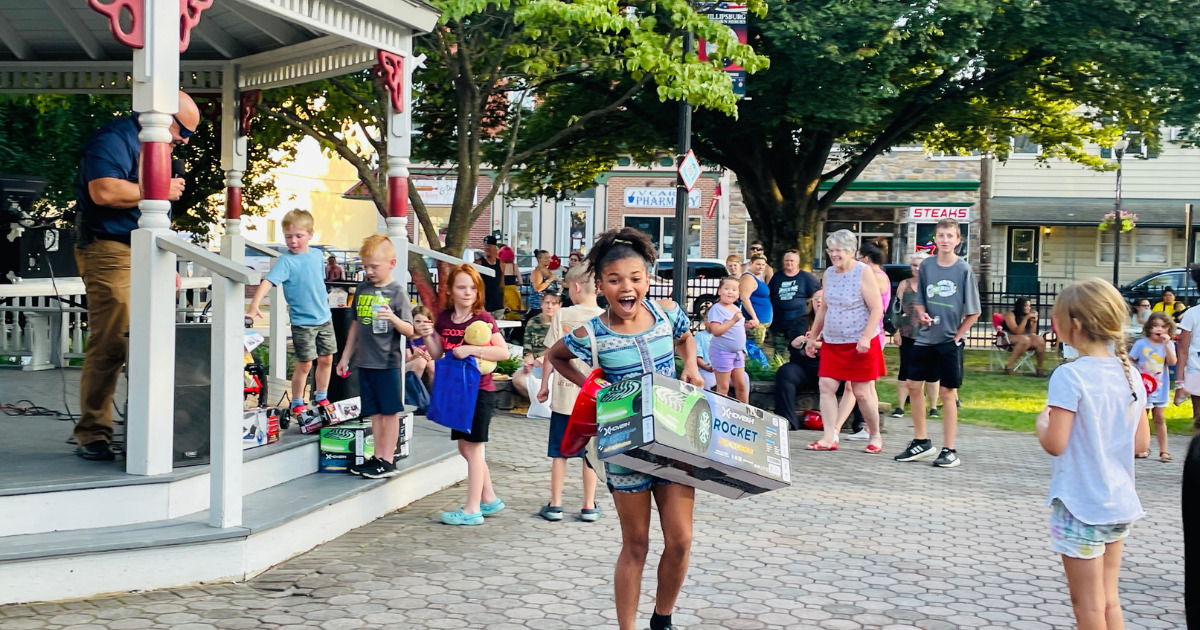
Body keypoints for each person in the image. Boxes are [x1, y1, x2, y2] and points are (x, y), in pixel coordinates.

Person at [546, 227, 702, 630]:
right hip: (625, 449)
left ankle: (662, 619)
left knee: (681, 540)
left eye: (635, 278)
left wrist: (690, 364)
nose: (626, 287)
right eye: (615, 280)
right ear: (600, 286)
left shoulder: (667, 314)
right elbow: (556, 356)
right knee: (636, 544)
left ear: (647, 279)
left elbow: (686, 338)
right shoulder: (592, 333)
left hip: (673, 442)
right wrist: (592, 388)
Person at [72, 91, 198, 461]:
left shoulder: (158, 148)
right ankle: (93, 433)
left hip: (148, 252)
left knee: (154, 341)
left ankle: (149, 428)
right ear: (166, 116)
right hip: (110, 249)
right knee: (113, 341)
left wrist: (169, 263)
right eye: (184, 132)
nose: (183, 141)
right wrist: (157, 188)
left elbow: (158, 215)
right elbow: (104, 191)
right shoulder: (114, 139)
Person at [1037, 277, 1150, 630]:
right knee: (1108, 600)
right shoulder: (1131, 375)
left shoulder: (1069, 376)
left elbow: (1055, 443)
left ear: (1074, 325)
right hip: (1118, 503)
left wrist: (1042, 422)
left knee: (1086, 606)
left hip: (1080, 505)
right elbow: (1140, 445)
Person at [416, 264, 511, 525]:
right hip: (456, 391)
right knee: (465, 447)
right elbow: (438, 353)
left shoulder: (483, 318)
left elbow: (502, 352)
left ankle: (472, 510)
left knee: (474, 449)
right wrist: (427, 336)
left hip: (479, 392)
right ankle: (489, 498)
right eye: (461, 287)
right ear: (450, 290)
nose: (468, 292)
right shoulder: (444, 318)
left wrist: (472, 349)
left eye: (472, 287)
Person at [894, 218, 981, 468]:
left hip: (949, 340)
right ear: (935, 239)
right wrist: (922, 314)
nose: (945, 240)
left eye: (949, 236)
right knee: (913, 385)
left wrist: (957, 336)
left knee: (947, 392)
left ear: (958, 240)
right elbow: (920, 299)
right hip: (924, 338)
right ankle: (921, 441)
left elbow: (974, 311)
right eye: (941, 235)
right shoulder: (927, 266)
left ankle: (949, 449)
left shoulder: (963, 269)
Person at [334, 235, 415, 479]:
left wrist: (393, 318)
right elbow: (355, 325)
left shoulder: (397, 293)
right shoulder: (362, 289)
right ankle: (378, 457)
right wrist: (345, 357)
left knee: (389, 412)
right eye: (365, 266)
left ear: (391, 263)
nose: (369, 271)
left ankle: (388, 459)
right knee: (374, 413)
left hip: (387, 363)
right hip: (365, 362)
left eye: (374, 266)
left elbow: (410, 330)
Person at [248, 209, 337, 419]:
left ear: (310, 235)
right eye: (289, 237)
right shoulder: (286, 261)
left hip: (324, 318)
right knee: (305, 363)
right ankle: (297, 402)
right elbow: (268, 282)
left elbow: (317, 282)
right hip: (303, 322)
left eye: (299, 236)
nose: (293, 241)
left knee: (326, 359)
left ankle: (321, 397)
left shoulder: (317, 256)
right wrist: (254, 305)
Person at [804, 229, 885, 454]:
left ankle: (875, 435)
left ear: (851, 251)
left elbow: (877, 308)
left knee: (861, 391)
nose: (833, 254)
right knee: (826, 386)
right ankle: (829, 436)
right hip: (834, 341)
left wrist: (866, 337)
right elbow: (824, 308)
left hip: (860, 341)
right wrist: (813, 337)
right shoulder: (829, 273)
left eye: (838, 250)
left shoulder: (863, 272)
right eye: (830, 250)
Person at [536, 265, 603, 522]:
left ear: (576, 287)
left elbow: (550, 354)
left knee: (559, 452)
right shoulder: (604, 317)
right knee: (590, 454)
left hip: (564, 398)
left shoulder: (562, 315)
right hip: (592, 400)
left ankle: (555, 504)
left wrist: (544, 385)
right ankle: (588, 505)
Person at [891, 252, 940, 420]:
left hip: (930, 335)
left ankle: (933, 407)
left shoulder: (934, 285)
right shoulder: (904, 285)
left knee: (932, 372)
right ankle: (900, 406)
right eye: (914, 265)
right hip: (908, 333)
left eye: (920, 265)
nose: (917, 268)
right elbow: (896, 310)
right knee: (905, 369)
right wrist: (896, 331)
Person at [1131, 312, 1175, 462]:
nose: (1159, 329)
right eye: (1155, 326)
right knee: (1142, 418)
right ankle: (1141, 447)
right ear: (1149, 327)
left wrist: (1167, 345)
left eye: (1163, 326)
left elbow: (1172, 362)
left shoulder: (1169, 345)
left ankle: (1164, 451)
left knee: (1160, 418)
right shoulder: (1141, 344)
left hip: (1160, 389)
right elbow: (1131, 359)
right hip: (1144, 388)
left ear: (1168, 329)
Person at [768, 249, 821, 361]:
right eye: (786, 260)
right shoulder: (777, 276)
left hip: (797, 320)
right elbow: (771, 294)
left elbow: (818, 292)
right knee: (778, 351)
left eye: (792, 261)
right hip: (779, 320)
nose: (789, 263)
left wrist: (806, 301)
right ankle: (778, 368)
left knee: (796, 349)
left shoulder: (806, 277)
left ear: (797, 262)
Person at [706, 277, 749, 403]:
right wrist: (733, 320)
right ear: (719, 291)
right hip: (722, 352)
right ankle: (721, 411)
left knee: (741, 386)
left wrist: (747, 326)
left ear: (738, 294)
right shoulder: (716, 309)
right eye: (726, 289)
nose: (730, 292)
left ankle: (745, 411)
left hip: (737, 353)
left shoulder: (735, 308)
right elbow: (716, 331)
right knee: (723, 387)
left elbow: (735, 328)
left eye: (734, 290)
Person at [512, 291, 561, 402]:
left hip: (556, 366)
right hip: (536, 365)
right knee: (518, 378)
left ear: (559, 306)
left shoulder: (562, 323)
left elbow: (563, 348)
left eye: (554, 303)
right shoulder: (533, 322)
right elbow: (527, 345)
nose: (550, 306)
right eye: (547, 303)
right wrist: (528, 360)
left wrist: (545, 359)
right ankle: (538, 401)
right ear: (541, 304)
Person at [1176, 266, 1200, 432]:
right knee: (1198, 416)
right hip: (1196, 371)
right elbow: (1183, 349)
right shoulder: (1192, 314)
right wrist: (1179, 381)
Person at [858, 241, 891, 347]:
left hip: (873, 331)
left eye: (859, 259)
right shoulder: (877, 275)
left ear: (866, 259)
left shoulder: (876, 277)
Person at [1003, 297, 1048, 376]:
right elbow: (1016, 331)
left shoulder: (1028, 316)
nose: (1028, 308)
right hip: (1009, 337)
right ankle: (1009, 367)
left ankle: (1040, 369)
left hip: (1025, 338)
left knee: (1040, 340)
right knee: (1024, 340)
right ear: (1020, 306)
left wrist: (1034, 322)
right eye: (1026, 306)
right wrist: (1026, 318)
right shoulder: (1010, 315)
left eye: (1029, 306)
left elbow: (1032, 332)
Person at [740, 253, 773, 350]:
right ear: (751, 264)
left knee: (757, 350)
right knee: (754, 351)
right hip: (755, 323)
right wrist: (754, 317)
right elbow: (744, 298)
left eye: (763, 265)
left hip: (761, 323)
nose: (761, 267)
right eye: (758, 264)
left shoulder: (758, 278)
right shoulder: (748, 277)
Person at [407, 306, 436, 388]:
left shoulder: (434, 336)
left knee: (432, 364)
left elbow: (441, 355)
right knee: (421, 362)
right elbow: (406, 359)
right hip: (413, 366)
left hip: (429, 365)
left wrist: (431, 357)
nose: (422, 324)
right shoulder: (407, 337)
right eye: (418, 321)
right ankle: (413, 392)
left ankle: (433, 393)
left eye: (425, 321)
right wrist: (414, 356)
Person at [477, 236, 506, 318]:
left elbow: (502, 285)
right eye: (485, 246)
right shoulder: (478, 263)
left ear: (495, 247)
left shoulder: (501, 264)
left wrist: (504, 303)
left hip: (498, 304)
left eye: (489, 246)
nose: (486, 248)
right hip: (483, 304)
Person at [527, 249, 560, 318]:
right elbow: (537, 289)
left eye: (549, 257)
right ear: (539, 259)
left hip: (550, 305)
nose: (549, 260)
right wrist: (550, 279)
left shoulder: (548, 271)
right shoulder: (537, 272)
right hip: (539, 306)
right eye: (545, 258)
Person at [499, 245, 523, 315]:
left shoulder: (500, 265)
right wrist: (515, 283)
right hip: (513, 292)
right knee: (515, 313)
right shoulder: (514, 266)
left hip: (503, 292)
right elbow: (521, 282)